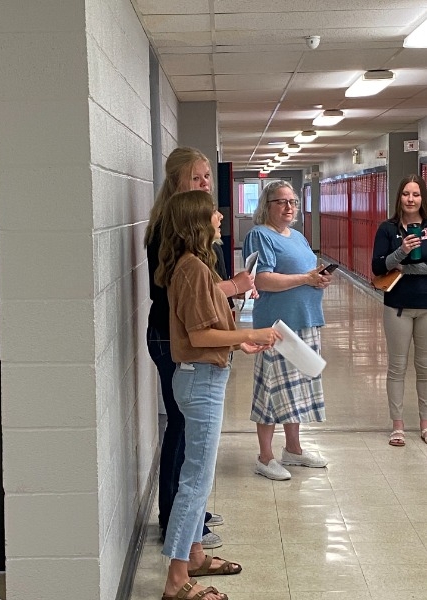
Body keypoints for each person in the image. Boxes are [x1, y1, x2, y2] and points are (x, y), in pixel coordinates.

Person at [156, 189, 279, 600]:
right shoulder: (191, 269)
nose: (221, 220)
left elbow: (209, 331)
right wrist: (250, 332)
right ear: (196, 222)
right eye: (213, 215)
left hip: (205, 374)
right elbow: (198, 334)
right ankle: (176, 580)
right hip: (199, 381)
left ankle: (193, 554)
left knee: (199, 477)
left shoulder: (197, 266)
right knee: (194, 482)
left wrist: (236, 343)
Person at [144, 147, 255, 548]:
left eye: (208, 177)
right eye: (197, 178)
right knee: (182, 428)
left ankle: (189, 516)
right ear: (177, 183)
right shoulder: (169, 231)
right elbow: (185, 298)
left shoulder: (196, 233)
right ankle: (176, 518)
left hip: (187, 338)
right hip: (172, 338)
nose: (206, 185)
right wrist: (232, 290)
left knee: (192, 436)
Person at [242, 180, 332, 480]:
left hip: (305, 318)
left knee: (297, 390)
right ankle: (265, 457)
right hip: (277, 325)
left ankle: (293, 449)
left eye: (292, 201)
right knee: (271, 391)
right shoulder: (259, 235)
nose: (289, 207)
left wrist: (317, 278)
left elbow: (306, 272)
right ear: (267, 205)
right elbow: (263, 280)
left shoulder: (298, 237)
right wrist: (305, 279)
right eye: (281, 202)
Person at [372, 173, 427, 447]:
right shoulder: (387, 229)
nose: (410, 199)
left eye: (416, 194)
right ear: (399, 197)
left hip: (426, 307)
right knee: (397, 367)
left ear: (422, 198)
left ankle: (425, 424)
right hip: (397, 307)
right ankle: (398, 425)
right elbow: (378, 267)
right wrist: (401, 252)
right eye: (406, 194)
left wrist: (404, 268)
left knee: (425, 368)